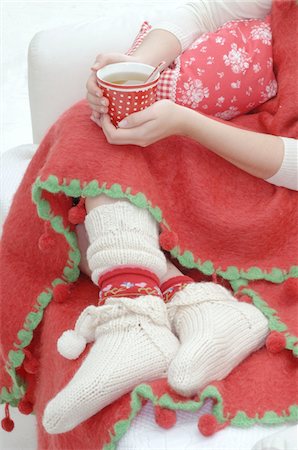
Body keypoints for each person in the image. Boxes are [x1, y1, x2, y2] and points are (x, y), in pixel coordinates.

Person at [42, 1, 297, 447]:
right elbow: (206, 9)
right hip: (250, 141)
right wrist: (138, 67)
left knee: (103, 181)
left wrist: (187, 124)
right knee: (89, 132)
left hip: (282, 186)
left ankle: (140, 319)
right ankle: (187, 306)